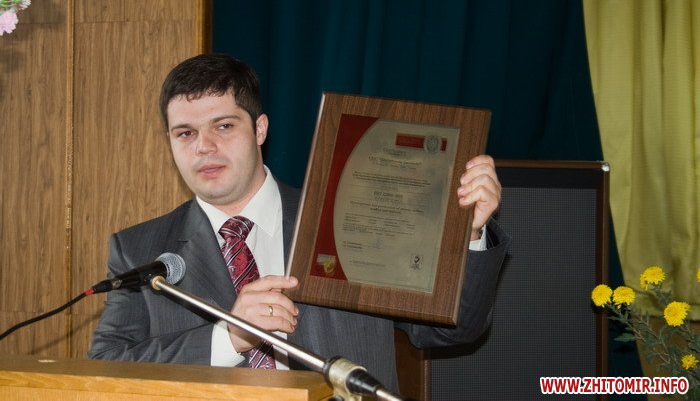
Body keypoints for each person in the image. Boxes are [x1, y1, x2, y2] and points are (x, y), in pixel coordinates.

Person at [88, 53, 509, 392]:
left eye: (224, 126)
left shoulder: (349, 219)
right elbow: (105, 369)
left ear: (260, 129)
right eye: (185, 133)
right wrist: (228, 337)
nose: (204, 146)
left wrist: (469, 233)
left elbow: (451, 332)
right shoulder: (140, 250)